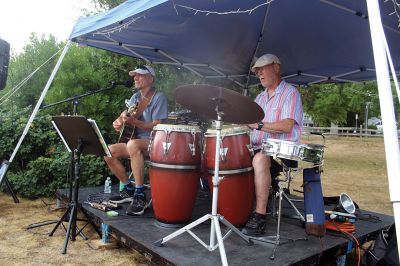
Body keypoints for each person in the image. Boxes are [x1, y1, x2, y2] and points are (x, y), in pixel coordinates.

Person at [241, 54, 303, 236]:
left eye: (262, 68)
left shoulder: (290, 93)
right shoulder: (259, 98)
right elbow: (248, 123)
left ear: (276, 67)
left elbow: (287, 125)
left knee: (260, 160)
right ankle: (236, 209)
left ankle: (259, 216)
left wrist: (258, 125)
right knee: (230, 156)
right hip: (257, 148)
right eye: (257, 71)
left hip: (281, 152)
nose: (259, 73)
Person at [104, 65, 168, 216]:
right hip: (135, 144)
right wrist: (118, 122)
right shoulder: (135, 98)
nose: (135, 78)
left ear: (151, 78)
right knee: (108, 151)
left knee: (132, 144)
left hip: (155, 143)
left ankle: (140, 194)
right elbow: (124, 115)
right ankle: (128, 189)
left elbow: (158, 127)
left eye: (140, 75)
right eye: (134, 75)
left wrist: (135, 123)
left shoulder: (159, 97)